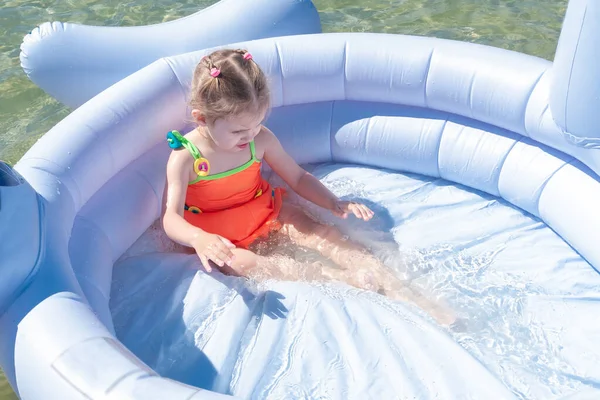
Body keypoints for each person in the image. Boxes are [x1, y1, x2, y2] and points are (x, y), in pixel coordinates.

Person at [162, 49, 455, 325]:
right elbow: (171, 218)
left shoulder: (259, 139)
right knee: (242, 264)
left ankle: (401, 289)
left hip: (266, 211)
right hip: (221, 237)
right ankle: (338, 279)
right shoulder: (186, 158)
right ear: (202, 118)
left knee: (321, 231)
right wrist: (199, 239)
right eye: (239, 130)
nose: (249, 136)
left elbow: (298, 177)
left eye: (257, 124)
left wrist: (332, 202)